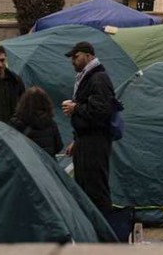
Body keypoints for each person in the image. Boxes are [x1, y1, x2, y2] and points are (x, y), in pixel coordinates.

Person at [62, 41, 117, 213]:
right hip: (86, 140)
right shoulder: (88, 77)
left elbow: (101, 110)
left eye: (76, 57)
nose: (73, 61)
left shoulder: (98, 78)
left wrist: (75, 107)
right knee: (85, 186)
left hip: (96, 141)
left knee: (95, 188)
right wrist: (77, 140)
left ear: (89, 56)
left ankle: (104, 230)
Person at [11, 86, 64, 155]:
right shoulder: (51, 123)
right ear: (46, 102)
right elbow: (59, 147)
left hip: (26, 163)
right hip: (47, 163)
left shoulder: (16, 123)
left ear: (24, 102)